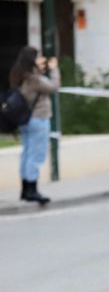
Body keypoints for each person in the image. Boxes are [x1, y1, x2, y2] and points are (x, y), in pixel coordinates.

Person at [8, 46, 59, 205]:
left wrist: (42, 69)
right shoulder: (34, 79)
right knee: (36, 155)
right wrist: (55, 70)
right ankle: (32, 189)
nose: (43, 59)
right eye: (39, 57)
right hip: (38, 118)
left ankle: (25, 188)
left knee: (27, 153)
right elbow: (53, 87)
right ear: (32, 60)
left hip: (26, 119)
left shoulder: (20, 76)